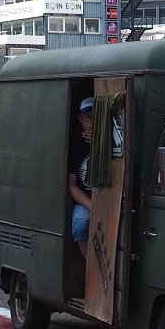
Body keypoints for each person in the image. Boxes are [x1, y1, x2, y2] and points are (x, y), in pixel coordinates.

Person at [68, 97, 94, 257]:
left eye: (97, 117)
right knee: (80, 224)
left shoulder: (114, 139)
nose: (92, 123)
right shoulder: (75, 145)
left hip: (109, 197)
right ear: (80, 119)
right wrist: (91, 206)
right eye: (87, 118)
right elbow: (72, 185)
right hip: (85, 199)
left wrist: (99, 142)